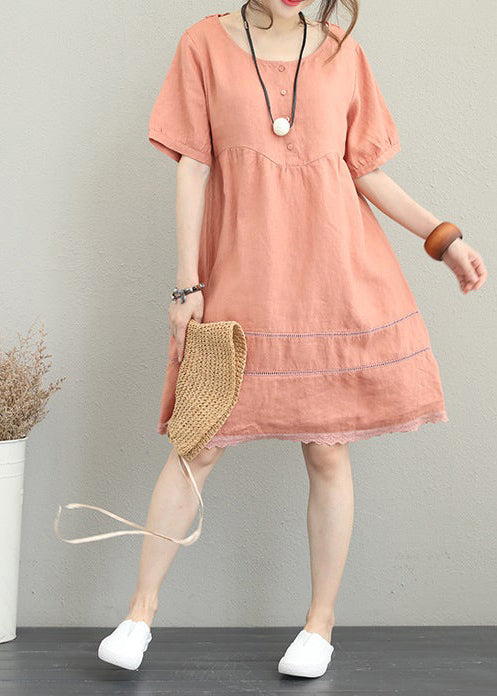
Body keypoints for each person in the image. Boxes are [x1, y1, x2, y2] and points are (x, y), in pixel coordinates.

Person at [97, 0, 487, 679]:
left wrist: (442, 237)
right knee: (199, 441)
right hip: (241, 278)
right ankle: (139, 613)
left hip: (333, 279)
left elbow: (364, 169)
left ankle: (319, 625)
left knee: (328, 451)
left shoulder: (341, 51)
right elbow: (192, 166)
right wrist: (186, 286)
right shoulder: (202, 45)